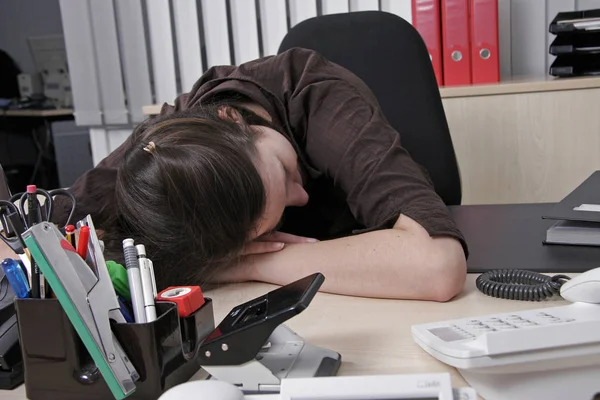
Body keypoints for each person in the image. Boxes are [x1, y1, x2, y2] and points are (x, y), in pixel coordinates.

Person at [5, 48, 468, 301]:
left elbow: (437, 265)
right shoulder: (167, 153)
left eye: (286, 173)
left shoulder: (316, 95)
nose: (301, 197)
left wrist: (247, 262)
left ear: (233, 120)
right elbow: (23, 232)